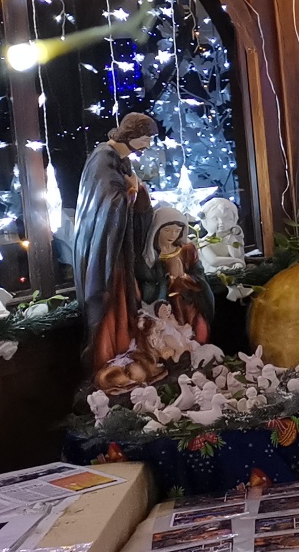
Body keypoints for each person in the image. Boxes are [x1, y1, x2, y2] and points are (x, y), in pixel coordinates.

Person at [73, 112, 158, 379]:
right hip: (106, 251)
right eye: (146, 138)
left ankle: (127, 352)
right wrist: (131, 191)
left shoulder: (122, 160)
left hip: (119, 248)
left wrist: (137, 192)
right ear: (131, 135)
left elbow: (129, 199)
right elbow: (109, 203)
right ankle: (108, 358)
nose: (148, 144)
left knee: (124, 300)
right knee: (110, 302)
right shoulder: (103, 158)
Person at [143, 203, 214, 345]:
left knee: (197, 332)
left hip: (188, 301)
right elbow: (147, 284)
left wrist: (183, 276)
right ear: (157, 230)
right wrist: (166, 277)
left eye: (177, 231)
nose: (172, 235)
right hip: (165, 306)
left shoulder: (187, 250)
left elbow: (199, 274)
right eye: (167, 230)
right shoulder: (150, 256)